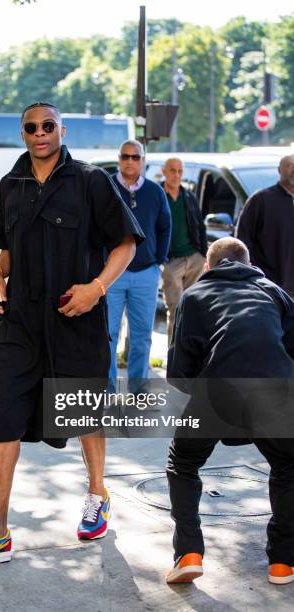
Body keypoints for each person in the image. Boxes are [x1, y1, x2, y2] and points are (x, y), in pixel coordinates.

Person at [0, 101, 144, 567]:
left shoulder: (93, 180)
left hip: (74, 317)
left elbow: (126, 243)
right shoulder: (11, 184)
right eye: (31, 127)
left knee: (84, 411)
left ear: (61, 129)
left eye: (47, 126)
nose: (39, 133)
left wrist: (97, 289)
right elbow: (6, 249)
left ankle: (97, 493)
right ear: (22, 133)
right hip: (19, 324)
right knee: (4, 412)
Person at [165, 237, 294, 585]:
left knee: (183, 464)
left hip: (219, 387)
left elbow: (178, 374)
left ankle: (188, 553)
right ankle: (283, 562)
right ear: (249, 263)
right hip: (277, 389)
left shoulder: (194, 296)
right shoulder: (274, 292)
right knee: (288, 465)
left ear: (208, 267)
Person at [107, 139, 171, 394]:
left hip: (145, 273)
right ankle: (108, 390)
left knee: (142, 336)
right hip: (110, 275)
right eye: (126, 156)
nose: (130, 161)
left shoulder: (155, 192)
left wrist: (159, 260)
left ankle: (138, 389)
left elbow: (165, 227)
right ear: (119, 158)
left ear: (143, 160)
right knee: (107, 335)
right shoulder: (106, 186)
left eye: (136, 157)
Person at [161, 157, 207, 341]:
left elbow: (200, 226)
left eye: (180, 171)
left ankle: (190, 354)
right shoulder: (158, 194)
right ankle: (173, 355)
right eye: (172, 170)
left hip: (194, 258)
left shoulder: (188, 196)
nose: (177, 175)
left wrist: (202, 254)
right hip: (171, 261)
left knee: (193, 309)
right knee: (176, 309)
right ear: (164, 171)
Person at [236, 154, 294, 299]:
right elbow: (243, 241)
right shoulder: (261, 200)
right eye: (289, 165)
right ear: (279, 170)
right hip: (271, 287)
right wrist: (255, 275)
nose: (293, 170)